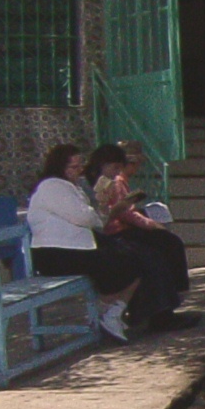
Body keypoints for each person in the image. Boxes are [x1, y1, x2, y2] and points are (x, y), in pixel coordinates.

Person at [27, 144, 143, 342]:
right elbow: (84, 217)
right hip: (54, 254)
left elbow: (95, 219)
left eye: (80, 165)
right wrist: (95, 212)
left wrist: (99, 208)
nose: (79, 170)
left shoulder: (72, 187)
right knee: (119, 261)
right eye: (74, 167)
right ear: (60, 167)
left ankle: (111, 311)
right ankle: (106, 311)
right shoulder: (52, 186)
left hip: (73, 249)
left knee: (133, 256)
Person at [97, 141, 197, 332]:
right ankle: (167, 303)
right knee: (164, 247)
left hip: (121, 230)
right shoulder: (115, 182)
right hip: (118, 233)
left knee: (165, 245)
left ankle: (166, 303)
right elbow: (124, 213)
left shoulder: (119, 182)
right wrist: (151, 225)